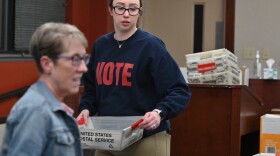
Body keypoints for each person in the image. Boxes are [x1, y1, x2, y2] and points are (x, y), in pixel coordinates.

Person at [77, 0, 192, 155]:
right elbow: (91, 89)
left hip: (145, 139)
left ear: (140, 12)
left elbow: (179, 90)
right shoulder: (100, 45)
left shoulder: (152, 45)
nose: (126, 14)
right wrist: (86, 109)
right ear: (111, 10)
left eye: (132, 9)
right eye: (120, 8)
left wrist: (159, 113)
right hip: (108, 138)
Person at [0, 22, 89, 156]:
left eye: (83, 58)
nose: (84, 68)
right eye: (75, 59)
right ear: (47, 64)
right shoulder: (35, 111)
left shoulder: (53, 109)